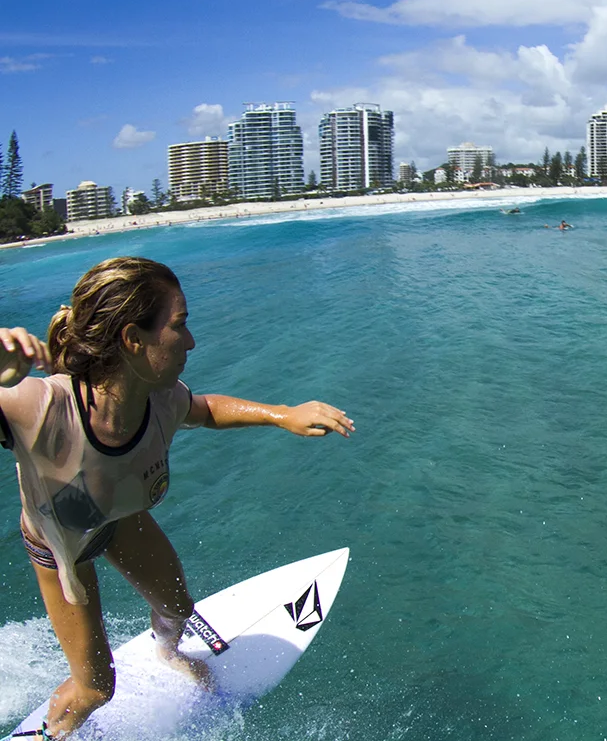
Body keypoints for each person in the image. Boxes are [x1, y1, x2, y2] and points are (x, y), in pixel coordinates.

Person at [0, 257, 355, 740]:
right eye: (179, 325)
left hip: (118, 520)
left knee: (179, 609)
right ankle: (51, 734)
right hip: (62, 547)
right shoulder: (40, 407)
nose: (191, 341)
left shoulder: (159, 398)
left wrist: (281, 414)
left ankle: (168, 652)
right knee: (96, 688)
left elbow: (207, 409)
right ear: (133, 339)